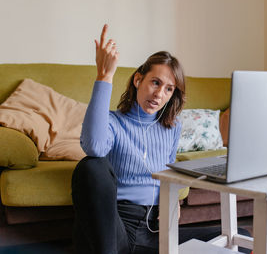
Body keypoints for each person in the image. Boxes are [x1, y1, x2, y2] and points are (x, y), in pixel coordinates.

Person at [71, 24, 251, 254]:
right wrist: (104, 76)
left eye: (168, 89)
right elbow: (94, 146)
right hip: (117, 229)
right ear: (138, 80)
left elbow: (168, 176)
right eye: (155, 82)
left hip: (156, 231)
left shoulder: (172, 128)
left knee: (241, 239)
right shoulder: (114, 122)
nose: (159, 94)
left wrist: (172, 204)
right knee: (91, 166)